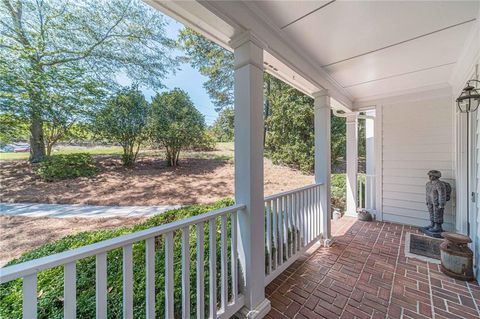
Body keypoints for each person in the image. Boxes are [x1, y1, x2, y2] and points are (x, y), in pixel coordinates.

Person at [423, 170, 451, 234]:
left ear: (436, 176)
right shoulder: (428, 184)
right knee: (431, 213)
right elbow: (427, 193)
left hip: (437, 203)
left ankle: (438, 226)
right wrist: (427, 200)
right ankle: (432, 224)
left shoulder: (440, 185)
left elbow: (442, 195)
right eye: (429, 175)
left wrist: (442, 204)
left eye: (431, 175)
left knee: (437, 214)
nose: (429, 177)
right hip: (430, 201)